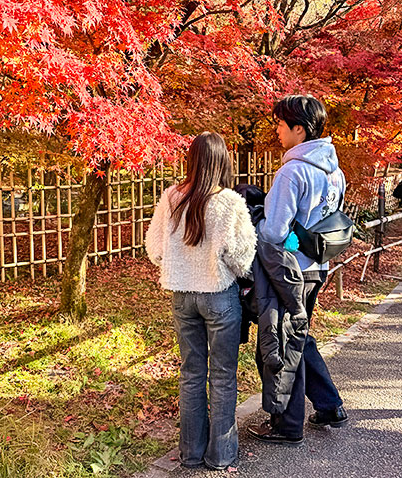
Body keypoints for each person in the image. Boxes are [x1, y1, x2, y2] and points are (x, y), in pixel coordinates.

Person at [145, 132, 257, 470]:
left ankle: (190, 453)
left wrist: (177, 263)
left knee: (190, 373)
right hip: (219, 296)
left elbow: (154, 249)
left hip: (182, 296)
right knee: (223, 375)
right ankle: (221, 455)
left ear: (191, 160)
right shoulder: (230, 202)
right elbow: (242, 256)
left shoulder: (171, 197)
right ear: (223, 160)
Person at [248, 94, 348, 444]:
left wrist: (254, 220)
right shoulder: (335, 172)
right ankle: (329, 404)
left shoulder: (293, 171)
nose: (276, 130)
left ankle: (286, 426)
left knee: (282, 342)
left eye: (280, 123)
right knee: (299, 336)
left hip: (290, 272)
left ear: (299, 130)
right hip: (318, 267)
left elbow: (274, 231)